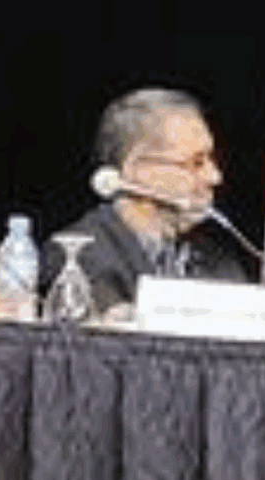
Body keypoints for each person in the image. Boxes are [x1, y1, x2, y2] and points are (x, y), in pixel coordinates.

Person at [36, 87, 248, 320]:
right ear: (137, 171)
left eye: (212, 159)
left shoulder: (218, 259)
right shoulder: (81, 256)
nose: (215, 177)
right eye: (196, 163)